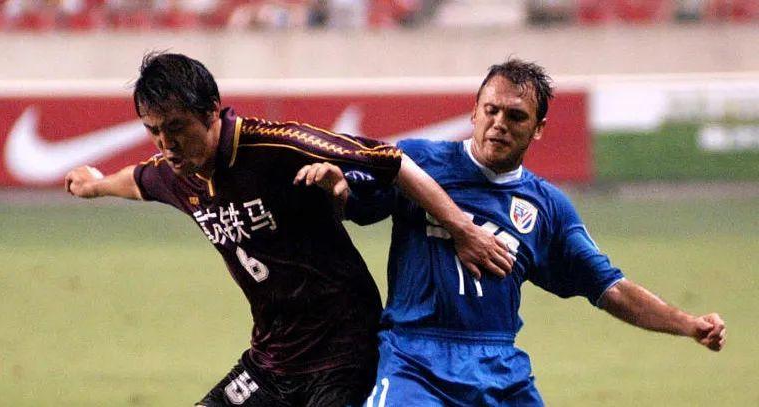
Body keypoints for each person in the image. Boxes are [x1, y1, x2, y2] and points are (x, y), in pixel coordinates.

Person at [63, 52, 513, 407]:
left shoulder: (278, 145)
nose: (167, 144)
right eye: (154, 131)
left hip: (343, 353)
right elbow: (138, 180)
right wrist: (96, 185)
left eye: (176, 128)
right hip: (271, 359)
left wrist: (462, 229)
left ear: (212, 111)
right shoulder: (177, 173)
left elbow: (393, 163)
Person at [302, 58, 727, 406]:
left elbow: (609, 288)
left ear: (538, 128)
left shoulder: (548, 208)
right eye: (491, 110)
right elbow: (352, 203)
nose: (499, 123)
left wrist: (688, 324)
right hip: (414, 360)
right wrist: (335, 189)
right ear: (474, 111)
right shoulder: (416, 162)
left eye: (516, 116)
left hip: (499, 370)